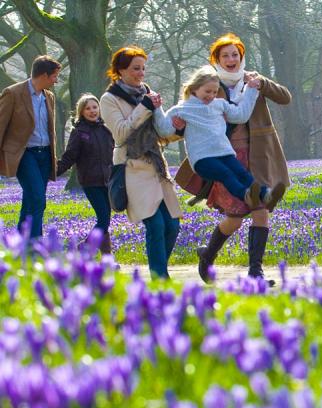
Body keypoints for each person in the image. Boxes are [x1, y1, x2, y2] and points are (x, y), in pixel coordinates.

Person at [174, 33, 291, 285]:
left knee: (261, 211)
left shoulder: (253, 80)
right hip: (224, 157)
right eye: (224, 55)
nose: (231, 59)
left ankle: (255, 273)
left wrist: (263, 84)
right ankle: (207, 255)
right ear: (216, 59)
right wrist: (178, 125)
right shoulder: (210, 86)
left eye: (234, 54)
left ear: (241, 57)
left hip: (257, 156)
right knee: (235, 218)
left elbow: (285, 97)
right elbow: (186, 119)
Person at [99, 46, 181, 280]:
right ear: (120, 70)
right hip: (131, 167)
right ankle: (160, 278)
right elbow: (122, 133)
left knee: (172, 225)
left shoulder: (147, 92)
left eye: (143, 68)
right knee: (155, 225)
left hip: (155, 165)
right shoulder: (109, 99)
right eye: (136, 68)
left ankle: (158, 272)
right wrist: (144, 107)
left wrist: (178, 129)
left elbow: (161, 132)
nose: (141, 73)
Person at [164, 66, 275, 211]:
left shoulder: (219, 104)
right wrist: (156, 109)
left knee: (241, 173)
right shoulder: (182, 109)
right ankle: (245, 195)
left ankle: (264, 193)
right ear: (194, 89)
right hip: (203, 159)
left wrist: (251, 89)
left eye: (215, 92)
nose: (211, 95)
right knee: (226, 174)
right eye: (207, 91)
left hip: (223, 152)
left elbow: (241, 115)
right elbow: (164, 129)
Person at [0, 55, 61, 239]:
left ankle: (20, 246)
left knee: (30, 202)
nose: (56, 80)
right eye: (54, 76)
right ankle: (36, 247)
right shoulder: (13, 93)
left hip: (44, 155)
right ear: (43, 75)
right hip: (24, 155)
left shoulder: (48, 96)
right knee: (37, 199)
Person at [56, 93, 115, 254]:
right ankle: (84, 248)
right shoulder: (79, 132)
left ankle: (106, 258)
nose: (92, 111)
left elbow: (114, 153)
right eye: (87, 108)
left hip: (107, 180)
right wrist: (55, 171)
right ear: (81, 112)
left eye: (95, 107)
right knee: (103, 218)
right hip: (91, 181)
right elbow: (70, 156)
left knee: (105, 219)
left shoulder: (106, 130)